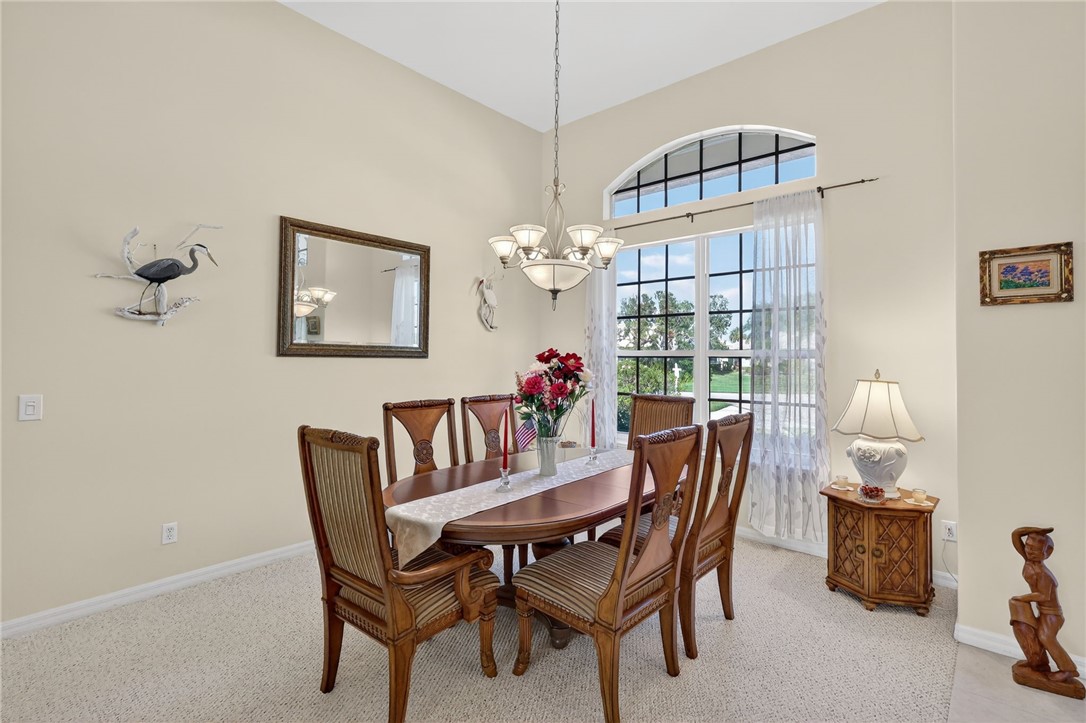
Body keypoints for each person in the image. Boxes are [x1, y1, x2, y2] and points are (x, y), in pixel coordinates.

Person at [1009, 526, 1079, 682]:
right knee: (1037, 637)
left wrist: (1022, 598)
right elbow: (1015, 535)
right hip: (1043, 611)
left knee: (1046, 637)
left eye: (1036, 549)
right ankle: (1038, 664)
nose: (1030, 551)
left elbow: (1043, 595)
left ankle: (1068, 670)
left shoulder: (1043, 573)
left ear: (1048, 553)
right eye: (1028, 546)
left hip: (1052, 614)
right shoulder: (1028, 560)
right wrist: (1038, 530)